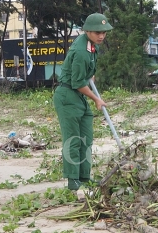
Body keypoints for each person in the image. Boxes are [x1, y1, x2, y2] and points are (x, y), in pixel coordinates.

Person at [53, 13, 113, 191]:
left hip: (78, 96)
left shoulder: (92, 46)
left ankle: (84, 177)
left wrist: (90, 77)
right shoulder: (80, 51)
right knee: (73, 140)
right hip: (67, 95)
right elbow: (78, 83)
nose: (101, 36)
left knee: (86, 138)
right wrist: (96, 99)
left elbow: (87, 75)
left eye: (103, 32)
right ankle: (73, 181)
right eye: (97, 32)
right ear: (87, 31)